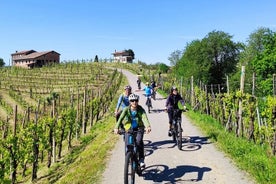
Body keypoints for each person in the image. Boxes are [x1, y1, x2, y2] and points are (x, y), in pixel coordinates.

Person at [114, 93, 151, 167]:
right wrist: (116, 127)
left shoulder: (140, 109)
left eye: (136, 100)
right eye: (132, 101)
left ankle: (141, 159)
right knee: (128, 144)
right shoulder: (126, 109)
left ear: (138, 101)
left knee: (138, 142)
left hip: (139, 128)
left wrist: (147, 126)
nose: (134, 102)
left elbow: (144, 117)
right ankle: (129, 156)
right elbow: (120, 118)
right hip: (129, 128)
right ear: (130, 102)